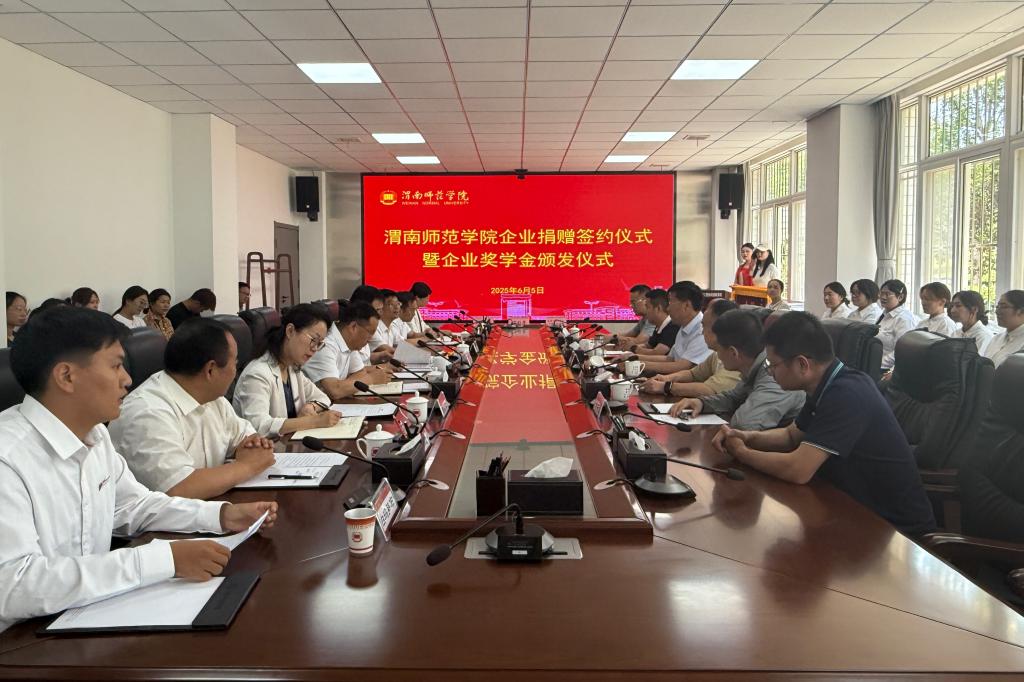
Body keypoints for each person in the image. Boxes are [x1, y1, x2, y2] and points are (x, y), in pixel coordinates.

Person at [0, 307, 277, 634]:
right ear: (66, 377)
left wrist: (221, 516)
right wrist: (162, 560)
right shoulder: (8, 457)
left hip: (80, 617)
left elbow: (133, 505)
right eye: (116, 365)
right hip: (19, 641)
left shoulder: (95, 434)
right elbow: (14, 586)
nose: (127, 379)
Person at [711, 311, 936, 536]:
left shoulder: (847, 394)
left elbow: (798, 469)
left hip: (893, 530)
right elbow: (791, 436)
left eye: (773, 365)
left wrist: (742, 453)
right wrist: (746, 437)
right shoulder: (826, 384)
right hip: (850, 509)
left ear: (802, 364)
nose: (770, 372)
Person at [109, 318, 275, 500]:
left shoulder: (213, 398)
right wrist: (248, 466)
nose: (236, 371)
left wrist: (252, 446)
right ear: (211, 370)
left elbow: (244, 436)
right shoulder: (147, 412)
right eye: (234, 363)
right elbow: (179, 488)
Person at [669, 310, 805, 430]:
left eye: (718, 349)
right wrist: (701, 403)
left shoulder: (774, 375)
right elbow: (733, 398)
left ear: (734, 353)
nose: (717, 355)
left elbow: (744, 424)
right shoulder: (753, 367)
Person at [234, 304, 341, 438]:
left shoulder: (291, 368)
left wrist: (311, 407)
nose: (315, 348)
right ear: (290, 331)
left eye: (319, 343)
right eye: (313, 340)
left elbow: (322, 397)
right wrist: (314, 421)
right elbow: (258, 426)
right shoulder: (257, 374)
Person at [641, 298, 742, 399]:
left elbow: (709, 390)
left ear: (719, 328)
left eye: (704, 326)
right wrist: (665, 378)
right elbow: (693, 374)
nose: (702, 332)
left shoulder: (737, 356)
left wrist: (666, 386)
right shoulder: (717, 354)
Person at [302, 301, 393, 401]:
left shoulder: (350, 343)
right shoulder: (325, 345)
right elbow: (335, 391)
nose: (371, 339)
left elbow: (360, 372)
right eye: (370, 333)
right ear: (353, 327)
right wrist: (371, 379)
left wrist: (344, 386)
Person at [631, 281, 712, 376]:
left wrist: (639, 364)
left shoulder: (702, 330)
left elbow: (682, 366)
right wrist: (635, 358)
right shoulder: (684, 326)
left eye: (670, 302)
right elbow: (670, 358)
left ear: (686, 305)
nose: (668, 309)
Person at [877, 279, 918, 371]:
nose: (883, 297)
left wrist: (878, 364)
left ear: (900, 297)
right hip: (874, 363)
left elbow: (902, 350)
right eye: (881, 293)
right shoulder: (883, 314)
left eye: (887, 294)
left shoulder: (904, 319)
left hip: (887, 368)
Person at [349, 285, 392, 365]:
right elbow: (358, 370)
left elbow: (363, 360)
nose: (380, 315)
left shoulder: (366, 327)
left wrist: (379, 356)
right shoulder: (352, 333)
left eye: (381, 310)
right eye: (377, 310)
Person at [984, 290, 1024, 368]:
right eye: (997, 307)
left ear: (1020, 310)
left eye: (1003, 307)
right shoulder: (996, 338)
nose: (997, 311)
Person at [634, 288, 679, 356]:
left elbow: (657, 352)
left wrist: (633, 349)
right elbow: (648, 345)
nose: (645, 311)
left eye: (647, 307)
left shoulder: (672, 326)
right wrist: (630, 347)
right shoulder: (659, 326)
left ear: (658, 308)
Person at [950, 290, 994, 355]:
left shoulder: (984, 336)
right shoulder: (955, 333)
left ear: (974, 309)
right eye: (952, 306)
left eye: (958, 306)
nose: (952, 310)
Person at [616, 284, 654, 349]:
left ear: (646, 301)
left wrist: (612, 338)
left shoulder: (653, 319)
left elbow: (639, 341)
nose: (631, 305)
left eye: (633, 302)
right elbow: (629, 334)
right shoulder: (644, 319)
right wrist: (608, 337)